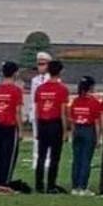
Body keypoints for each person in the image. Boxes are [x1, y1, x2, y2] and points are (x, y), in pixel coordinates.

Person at [31, 58, 70, 194]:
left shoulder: (41, 89)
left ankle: (39, 184)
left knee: (41, 155)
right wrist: (65, 131)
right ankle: (51, 184)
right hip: (55, 124)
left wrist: (36, 126)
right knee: (54, 156)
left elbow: (37, 110)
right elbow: (63, 112)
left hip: (42, 123)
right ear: (60, 72)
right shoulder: (62, 89)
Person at [0, 63, 26, 193]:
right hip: (10, 126)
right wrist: (21, 130)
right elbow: (17, 112)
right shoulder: (16, 90)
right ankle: (4, 183)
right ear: (15, 73)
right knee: (9, 156)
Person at [67, 75, 103, 196]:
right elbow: (97, 122)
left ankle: (75, 186)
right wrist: (98, 138)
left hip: (77, 129)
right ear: (91, 87)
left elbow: (71, 119)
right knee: (86, 160)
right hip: (88, 130)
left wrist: (73, 133)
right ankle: (82, 187)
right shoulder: (94, 102)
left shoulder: (76, 101)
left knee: (77, 159)